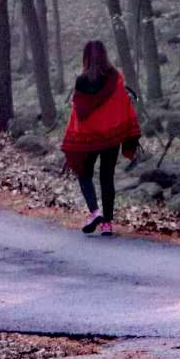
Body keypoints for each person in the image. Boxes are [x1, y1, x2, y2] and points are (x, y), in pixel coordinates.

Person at [60, 41, 141, 236]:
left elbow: (78, 114)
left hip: (88, 140)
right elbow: (123, 106)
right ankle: (107, 224)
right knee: (107, 177)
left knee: (84, 174)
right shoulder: (115, 77)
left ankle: (95, 212)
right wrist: (127, 131)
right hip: (110, 139)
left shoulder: (81, 81)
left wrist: (72, 138)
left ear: (85, 57)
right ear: (105, 55)